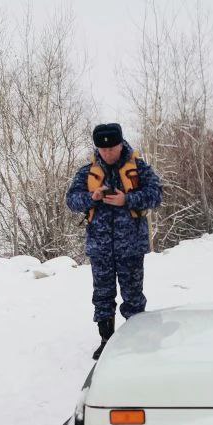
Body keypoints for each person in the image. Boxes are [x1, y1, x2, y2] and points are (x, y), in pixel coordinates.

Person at [66, 123, 163, 359]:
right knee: (103, 295)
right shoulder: (87, 171)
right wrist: (92, 197)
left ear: (121, 144)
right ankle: (106, 340)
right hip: (100, 248)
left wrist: (127, 200)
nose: (108, 153)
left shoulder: (138, 168)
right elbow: (71, 200)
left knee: (133, 295)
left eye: (113, 148)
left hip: (130, 246)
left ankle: (137, 338)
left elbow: (157, 195)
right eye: (103, 149)